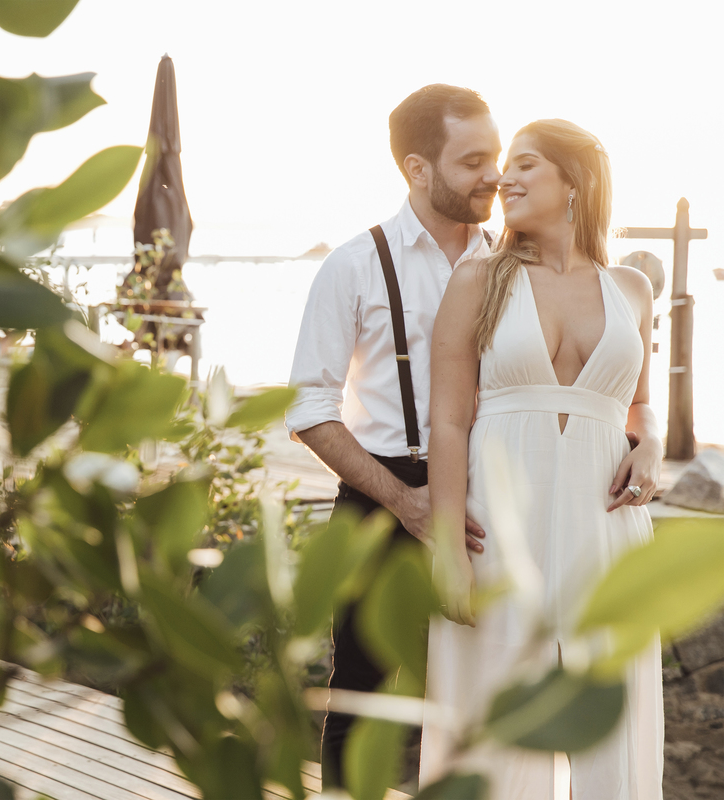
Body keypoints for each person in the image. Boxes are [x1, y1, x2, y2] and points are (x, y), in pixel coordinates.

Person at [422, 119, 663, 798]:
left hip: (606, 526)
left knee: (611, 716)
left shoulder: (632, 289)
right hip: (501, 523)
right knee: (491, 724)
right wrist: (448, 544)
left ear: (574, 181)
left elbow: (641, 405)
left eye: (526, 164)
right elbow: (448, 421)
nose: (506, 178)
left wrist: (650, 445)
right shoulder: (479, 279)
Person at [285, 84, 500, 783]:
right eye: (473, 161)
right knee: (361, 698)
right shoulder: (353, 264)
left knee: (483, 696)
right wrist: (406, 502)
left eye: (496, 156)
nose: (493, 174)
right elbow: (310, 408)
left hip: (488, 500)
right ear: (417, 168)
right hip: (383, 500)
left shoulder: (512, 262)